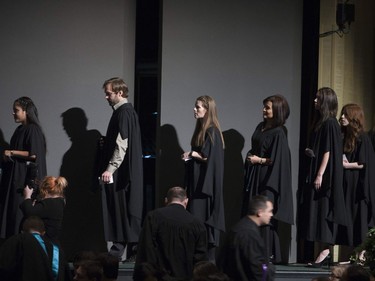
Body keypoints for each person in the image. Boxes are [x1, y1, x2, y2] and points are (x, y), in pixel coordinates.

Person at [242, 94, 293, 263]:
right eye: (264, 107)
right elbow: (255, 147)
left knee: (264, 216)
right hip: (255, 176)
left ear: (277, 110)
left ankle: (266, 254)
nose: (264, 110)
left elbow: (278, 160)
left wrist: (259, 160)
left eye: (268, 107)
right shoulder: (260, 126)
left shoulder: (279, 133)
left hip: (268, 179)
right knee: (252, 213)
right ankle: (252, 251)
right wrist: (251, 156)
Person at [297, 87, 346, 264]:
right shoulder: (321, 122)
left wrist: (320, 174)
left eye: (318, 98)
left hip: (325, 176)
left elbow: (328, 151)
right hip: (317, 170)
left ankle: (325, 253)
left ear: (326, 101)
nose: (314, 101)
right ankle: (322, 253)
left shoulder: (331, 123)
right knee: (317, 211)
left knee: (325, 210)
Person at [99, 77, 144, 261]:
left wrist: (111, 168)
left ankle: (124, 251)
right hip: (123, 172)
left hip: (122, 173)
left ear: (119, 93)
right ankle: (127, 251)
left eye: (108, 93)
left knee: (123, 207)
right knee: (123, 208)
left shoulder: (124, 113)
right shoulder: (124, 112)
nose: (106, 97)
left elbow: (122, 144)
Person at [181, 95, 225, 260]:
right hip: (197, 184)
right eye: (195, 106)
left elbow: (209, 157)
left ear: (207, 110)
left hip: (204, 187)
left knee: (202, 221)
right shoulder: (202, 130)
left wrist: (192, 154)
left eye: (198, 107)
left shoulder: (212, 131)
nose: (195, 109)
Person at [135, 186, 208, 281]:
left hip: (159, 277)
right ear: (186, 201)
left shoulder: (153, 218)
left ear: (166, 200)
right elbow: (200, 258)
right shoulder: (197, 224)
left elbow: (146, 249)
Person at [0, 96, 47, 239]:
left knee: (19, 211)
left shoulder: (33, 129)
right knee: (11, 211)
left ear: (26, 111)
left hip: (23, 178)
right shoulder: (20, 129)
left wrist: (11, 152)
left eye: (16, 110)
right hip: (15, 177)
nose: (13, 113)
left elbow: (34, 154)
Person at [337, 104, 375, 247]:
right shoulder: (343, 137)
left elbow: (364, 163)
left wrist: (347, 165)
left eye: (346, 115)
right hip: (346, 183)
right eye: (342, 114)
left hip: (357, 184)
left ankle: (360, 255)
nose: (342, 117)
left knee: (357, 217)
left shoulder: (362, 138)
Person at [218, 195, 275, 281]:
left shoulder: (239, 228)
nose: (271, 214)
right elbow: (255, 268)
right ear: (260, 212)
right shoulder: (249, 234)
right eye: (269, 211)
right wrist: (269, 270)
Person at [0, 216, 71, 281]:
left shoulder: (16, 241)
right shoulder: (57, 250)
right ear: (43, 233)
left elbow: (4, 268)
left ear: (22, 232)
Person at [20, 176, 68, 244]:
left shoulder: (51, 203)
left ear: (44, 190)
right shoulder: (58, 203)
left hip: (45, 243)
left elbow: (29, 213)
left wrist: (27, 196)